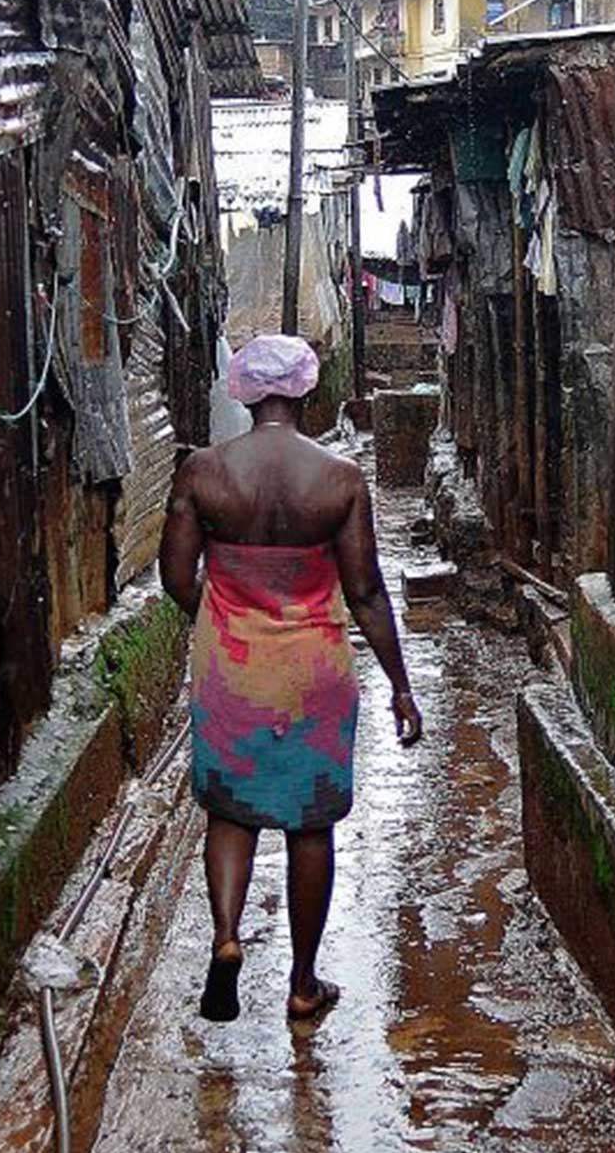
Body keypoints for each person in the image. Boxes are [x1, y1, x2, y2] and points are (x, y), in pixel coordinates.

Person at [159, 334, 422, 1026]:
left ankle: (225, 936)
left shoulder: (202, 473)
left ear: (243, 391)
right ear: (305, 390)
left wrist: (220, 619)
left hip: (231, 668)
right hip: (314, 669)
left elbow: (175, 576)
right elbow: (365, 592)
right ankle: (303, 984)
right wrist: (400, 683)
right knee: (311, 826)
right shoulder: (338, 479)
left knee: (231, 810)